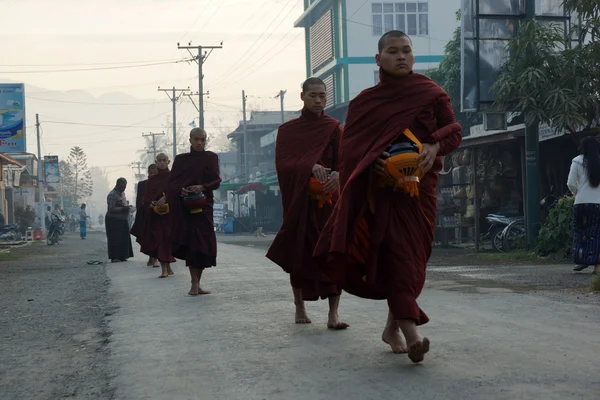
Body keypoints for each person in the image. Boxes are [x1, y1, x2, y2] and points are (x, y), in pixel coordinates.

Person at [313, 31, 462, 363]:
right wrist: (373, 163)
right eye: (393, 51)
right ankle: (413, 335)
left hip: (420, 192)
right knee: (398, 259)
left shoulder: (431, 93)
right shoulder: (366, 102)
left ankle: (390, 328)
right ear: (379, 60)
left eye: (406, 51)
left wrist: (434, 144)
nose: (401, 56)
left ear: (413, 56)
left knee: (414, 261)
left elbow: (454, 131)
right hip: (382, 196)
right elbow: (352, 151)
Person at [266, 77, 349, 329]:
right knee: (300, 254)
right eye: (313, 95)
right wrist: (308, 166)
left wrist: (338, 174)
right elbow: (283, 164)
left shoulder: (334, 127)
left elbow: (344, 161)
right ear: (302, 96)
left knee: (334, 254)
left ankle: (333, 313)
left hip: (329, 201)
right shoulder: (288, 131)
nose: (318, 100)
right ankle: (299, 306)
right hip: (301, 203)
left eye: (322, 96)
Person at [167, 128, 221, 295]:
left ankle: (198, 282)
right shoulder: (181, 160)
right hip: (185, 208)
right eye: (196, 139)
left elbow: (217, 180)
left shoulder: (211, 157)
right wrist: (181, 191)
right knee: (191, 243)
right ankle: (194, 282)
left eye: (203, 139)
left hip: (204, 206)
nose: (199, 143)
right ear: (190, 140)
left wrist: (203, 186)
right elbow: (172, 184)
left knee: (204, 244)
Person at [567, 136, 600, 274]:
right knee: (597, 233)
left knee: (581, 232)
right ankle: (598, 265)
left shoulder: (577, 161)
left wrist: (576, 194)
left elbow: (571, 183)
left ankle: (582, 259)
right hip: (599, 203)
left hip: (582, 202)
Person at [141, 154, 176, 278]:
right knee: (160, 240)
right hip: (157, 214)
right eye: (159, 161)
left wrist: (166, 197)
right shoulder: (152, 179)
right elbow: (147, 196)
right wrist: (151, 203)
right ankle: (164, 269)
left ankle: (169, 266)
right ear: (156, 162)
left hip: (170, 214)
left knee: (168, 240)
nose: (162, 163)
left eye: (164, 160)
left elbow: (177, 191)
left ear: (168, 161)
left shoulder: (172, 177)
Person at [130, 164, 159, 267]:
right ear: (148, 173)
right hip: (145, 214)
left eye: (155, 172)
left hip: (159, 213)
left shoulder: (162, 183)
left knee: (157, 236)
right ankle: (151, 256)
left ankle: (155, 258)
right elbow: (138, 201)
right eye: (151, 172)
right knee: (147, 237)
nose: (153, 174)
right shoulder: (142, 184)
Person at [106, 178, 134, 263]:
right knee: (115, 238)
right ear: (117, 185)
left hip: (122, 218)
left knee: (124, 238)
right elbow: (111, 209)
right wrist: (123, 208)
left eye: (125, 187)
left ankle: (123, 256)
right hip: (113, 220)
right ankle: (115, 257)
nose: (123, 189)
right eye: (122, 187)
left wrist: (128, 207)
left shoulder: (122, 194)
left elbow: (123, 204)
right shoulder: (112, 194)